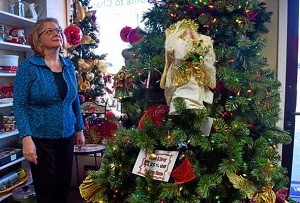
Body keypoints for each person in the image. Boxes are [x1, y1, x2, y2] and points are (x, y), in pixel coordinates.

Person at [13, 18, 85, 203]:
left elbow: (74, 99)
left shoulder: (69, 66)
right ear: (38, 39)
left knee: (63, 187)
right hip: (41, 138)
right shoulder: (28, 68)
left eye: (58, 30)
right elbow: (20, 105)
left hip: (67, 136)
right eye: (49, 31)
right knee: (46, 191)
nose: (56, 33)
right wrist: (26, 138)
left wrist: (79, 128)